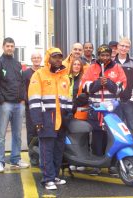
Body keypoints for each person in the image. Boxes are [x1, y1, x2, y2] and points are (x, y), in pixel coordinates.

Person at [28, 48, 72, 190]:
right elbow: (34, 99)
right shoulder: (39, 74)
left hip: (61, 120)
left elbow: (68, 98)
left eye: (60, 57)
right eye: (55, 57)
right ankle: (47, 179)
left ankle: (54, 176)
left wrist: (68, 115)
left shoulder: (65, 76)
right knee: (47, 149)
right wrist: (37, 120)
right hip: (47, 118)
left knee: (58, 149)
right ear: (48, 58)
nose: (58, 59)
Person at [83, 44, 127, 175]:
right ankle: (96, 164)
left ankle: (112, 165)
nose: (105, 57)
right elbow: (85, 86)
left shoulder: (117, 68)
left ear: (111, 55)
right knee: (97, 136)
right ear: (99, 55)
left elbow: (121, 88)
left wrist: (108, 83)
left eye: (107, 55)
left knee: (112, 136)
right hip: (96, 109)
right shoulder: (91, 68)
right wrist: (97, 83)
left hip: (112, 110)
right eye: (102, 55)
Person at [0, 37, 29, 173]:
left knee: (17, 134)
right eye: (7, 46)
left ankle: (15, 159)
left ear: (14, 48)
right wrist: (1, 99)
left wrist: (23, 99)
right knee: (0, 135)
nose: (10, 48)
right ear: (3, 47)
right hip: (5, 104)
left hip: (18, 104)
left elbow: (22, 83)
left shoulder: (18, 64)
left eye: (12, 46)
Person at [114, 37, 133, 162]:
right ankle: (117, 153)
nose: (124, 48)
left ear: (129, 48)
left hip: (129, 101)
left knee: (132, 127)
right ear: (118, 47)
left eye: (126, 46)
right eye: (122, 45)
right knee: (116, 128)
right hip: (114, 101)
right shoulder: (111, 62)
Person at [68, 58, 89, 171]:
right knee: (71, 137)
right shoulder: (67, 78)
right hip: (69, 111)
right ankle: (73, 160)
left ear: (81, 67)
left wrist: (76, 102)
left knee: (82, 137)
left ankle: (82, 162)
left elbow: (86, 96)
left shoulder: (84, 79)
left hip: (80, 112)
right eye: (74, 64)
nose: (76, 66)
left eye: (78, 64)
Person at [23, 52, 43, 166]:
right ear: (31, 59)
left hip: (42, 106)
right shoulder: (26, 73)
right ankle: (33, 157)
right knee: (31, 132)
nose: (36, 59)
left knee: (41, 131)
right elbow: (23, 88)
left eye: (38, 57)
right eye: (34, 58)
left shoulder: (43, 72)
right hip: (30, 106)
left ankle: (42, 155)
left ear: (41, 59)